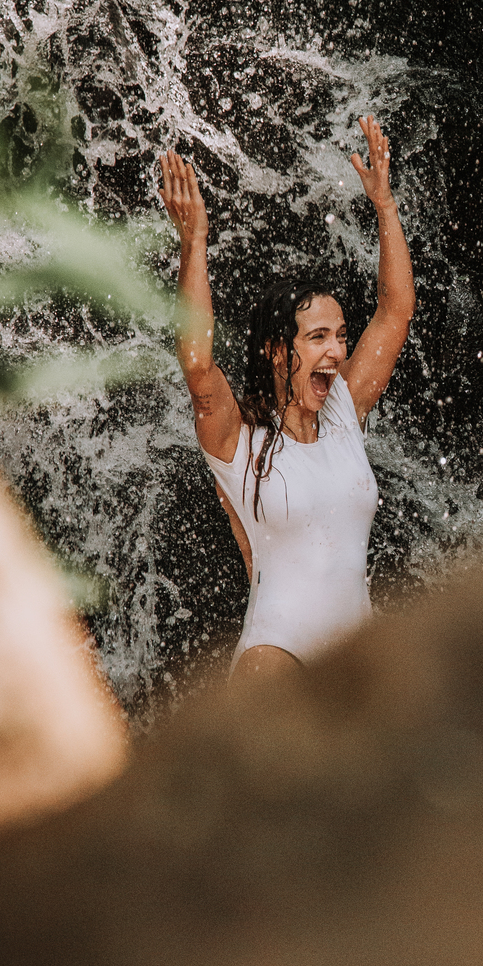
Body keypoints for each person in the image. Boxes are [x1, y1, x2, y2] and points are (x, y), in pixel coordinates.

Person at [158, 115, 414, 684]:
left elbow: (395, 310)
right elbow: (199, 364)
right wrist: (194, 243)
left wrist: (385, 205)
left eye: (341, 336)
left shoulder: (345, 412)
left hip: (358, 668)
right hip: (277, 656)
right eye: (318, 337)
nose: (337, 350)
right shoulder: (238, 440)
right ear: (279, 351)